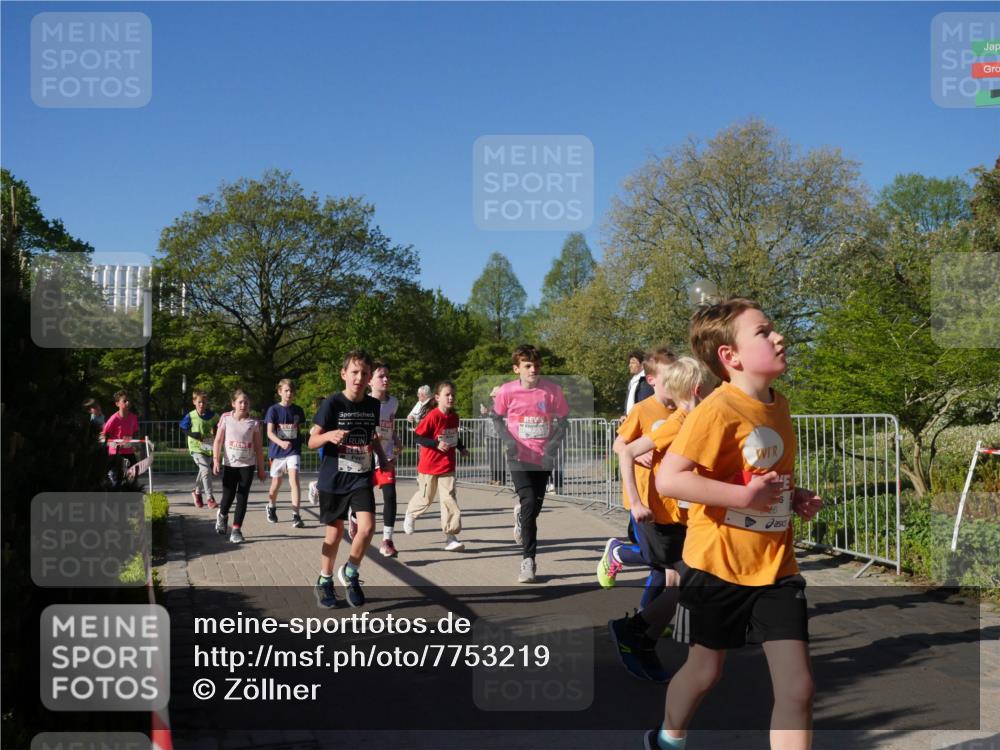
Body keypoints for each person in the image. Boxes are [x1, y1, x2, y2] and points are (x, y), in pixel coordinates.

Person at [648, 298, 823, 750]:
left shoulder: (779, 405)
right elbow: (670, 479)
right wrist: (745, 498)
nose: (779, 336)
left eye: (773, 328)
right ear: (731, 356)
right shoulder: (718, 409)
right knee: (705, 671)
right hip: (717, 567)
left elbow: (761, 476)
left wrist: (792, 496)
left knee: (799, 687)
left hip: (776, 568)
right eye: (763, 332)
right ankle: (668, 739)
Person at [603, 357, 718, 682]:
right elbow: (625, 450)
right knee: (688, 580)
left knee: (682, 582)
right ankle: (636, 630)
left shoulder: (697, 418)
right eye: (712, 390)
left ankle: (642, 635)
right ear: (698, 390)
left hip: (687, 517)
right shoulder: (679, 421)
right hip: (660, 517)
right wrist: (636, 502)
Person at [309, 350, 391, 608]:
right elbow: (311, 440)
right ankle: (324, 580)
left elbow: (371, 435)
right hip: (334, 477)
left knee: (367, 528)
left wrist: (382, 457)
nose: (359, 378)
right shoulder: (332, 403)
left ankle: (350, 571)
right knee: (334, 534)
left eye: (364, 373)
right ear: (344, 374)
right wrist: (328, 436)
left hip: (361, 475)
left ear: (369, 378)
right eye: (354, 372)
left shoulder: (372, 404)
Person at [600, 346, 678, 596]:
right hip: (645, 497)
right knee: (659, 559)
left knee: (666, 562)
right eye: (668, 378)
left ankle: (649, 614)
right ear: (651, 380)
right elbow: (618, 444)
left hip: (674, 499)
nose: (674, 382)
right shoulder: (642, 409)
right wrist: (636, 451)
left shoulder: (684, 410)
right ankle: (617, 553)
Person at [492, 345, 570, 583]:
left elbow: (564, 422)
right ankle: (528, 561)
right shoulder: (507, 391)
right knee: (528, 502)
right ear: (517, 369)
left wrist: (552, 447)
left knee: (533, 507)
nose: (533, 369)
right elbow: (496, 418)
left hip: (543, 457)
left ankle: (521, 517)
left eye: (536, 365)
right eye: (527, 365)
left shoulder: (552, 391)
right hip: (518, 456)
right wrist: (509, 442)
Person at [403, 380, 470, 551]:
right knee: (426, 498)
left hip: (447, 465)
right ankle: (410, 514)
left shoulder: (454, 417)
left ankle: (450, 537)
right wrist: (435, 444)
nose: (451, 398)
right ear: (437, 397)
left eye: (453, 395)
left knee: (449, 499)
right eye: (447, 395)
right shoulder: (433, 416)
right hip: (429, 466)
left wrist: (461, 448)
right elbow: (417, 437)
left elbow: (453, 436)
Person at [212, 389, 266, 544]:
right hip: (230, 465)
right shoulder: (226, 418)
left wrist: (261, 469)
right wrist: (216, 460)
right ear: (233, 403)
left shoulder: (254, 422)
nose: (243, 405)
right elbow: (218, 441)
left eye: (246, 402)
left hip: (247, 465)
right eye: (240, 402)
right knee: (228, 497)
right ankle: (222, 515)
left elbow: (258, 447)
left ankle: (236, 530)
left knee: (242, 496)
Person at [264, 379, 306, 529]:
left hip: (293, 451)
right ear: (280, 392)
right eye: (286, 390)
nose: (289, 393)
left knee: (294, 479)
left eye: (291, 391)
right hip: (277, 452)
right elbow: (269, 433)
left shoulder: (298, 410)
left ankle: (296, 515)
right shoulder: (273, 410)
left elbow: (298, 429)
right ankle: (271, 506)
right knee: (276, 483)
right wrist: (281, 443)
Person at [369, 361, 400, 557]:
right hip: (366, 457)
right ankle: (353, 517)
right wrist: (372, 437)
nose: (386, 379)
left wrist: (396, 439)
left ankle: (387, 540)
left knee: (390, 496)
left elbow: (391, 424)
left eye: (387, 376)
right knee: (364, 500)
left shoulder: (393, 402)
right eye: (381, 376)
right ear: (370, 381)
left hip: (386, 456)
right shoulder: (365, 403)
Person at [179, 390, 219, 509]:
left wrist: (215, 433)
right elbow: (183, 428)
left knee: (203, 470)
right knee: (206, 470)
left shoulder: (213, 415)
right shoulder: (191, 415)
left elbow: (219, 425)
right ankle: (210, 498)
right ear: (194, 402)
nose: (202, 404)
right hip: (195, 447)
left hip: (208, 446)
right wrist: (193, 434)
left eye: (204, 402)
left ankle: (196, 492)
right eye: (199, 402)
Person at [101, 390, 139, 489]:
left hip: (129, 451)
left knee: (135, 471)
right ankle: (113, 488)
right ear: (117, 404)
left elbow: (135, 432)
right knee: (117, 477)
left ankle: (131, 490)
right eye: (125, 401)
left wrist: (133, 441)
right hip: (116, 452)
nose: (128, 403)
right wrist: (111, 443)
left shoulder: (133, 417)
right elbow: (103, 435)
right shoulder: (114, 418)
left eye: (129, 400)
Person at [623, 349, 654, 419]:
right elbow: (629, 402)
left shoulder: (647, 381)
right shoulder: (632, 381)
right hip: (631, 420)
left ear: (642, 364)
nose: (630, 365)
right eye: (630, 363)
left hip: (642, 420)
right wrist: (625, 414)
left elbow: (644, 405)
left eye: (633, 363)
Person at [308, 396, 325, 506]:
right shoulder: (320, 416)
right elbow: (313, 431)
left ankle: (317, 486)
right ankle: (317, 486)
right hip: (324, 447)